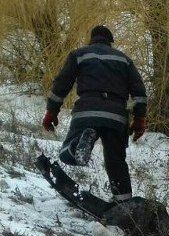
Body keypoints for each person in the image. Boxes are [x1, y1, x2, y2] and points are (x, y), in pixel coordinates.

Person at [41, 25, 147, 202]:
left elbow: (61, 84)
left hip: (87, 111)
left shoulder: (79, 54)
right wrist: (140, 120)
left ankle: (78, 146)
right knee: (116, 160)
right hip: (117, 116)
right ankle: (123, 201)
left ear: (91, 39)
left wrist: (51, 112)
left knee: (67, 153)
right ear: (111, 42)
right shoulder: (124, 60)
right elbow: (139, 93)